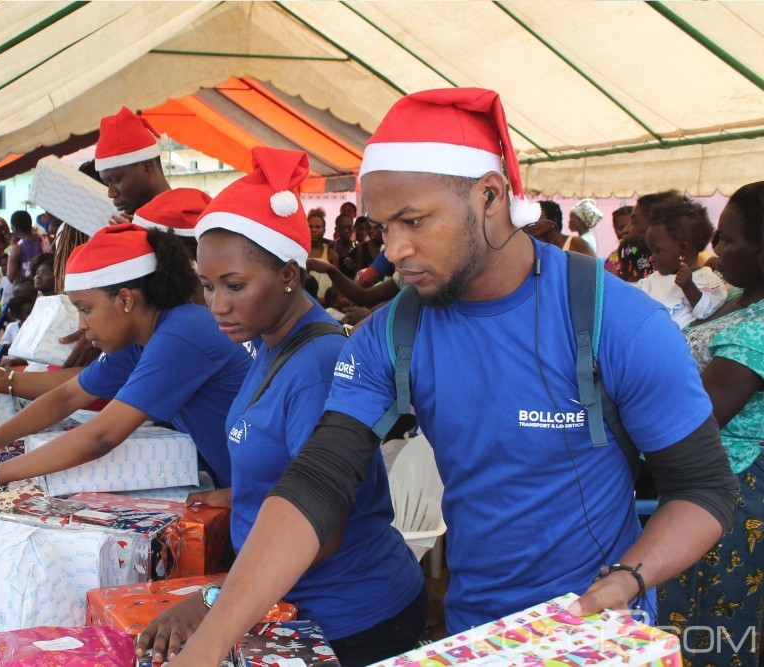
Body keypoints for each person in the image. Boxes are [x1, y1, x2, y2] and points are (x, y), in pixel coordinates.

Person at [165, 88, 738, 667]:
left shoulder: (614, 321)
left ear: (489, 195)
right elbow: (318, 480)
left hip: (593, 632)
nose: (394, 250)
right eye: (383, 226)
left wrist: (626, 581)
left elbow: (704, 489)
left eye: (413, 221)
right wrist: (211, 641)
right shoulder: (389, 335)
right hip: (473, 634)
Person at [136, 148, 426, 667]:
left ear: (290, 273)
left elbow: (320, 528)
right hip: (289, 603)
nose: (217, 305)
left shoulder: (317, 365)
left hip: (349, 618)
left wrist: (213, 601)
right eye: (207, 285)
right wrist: (235, 495)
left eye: (235, 286)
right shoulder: (269, 343)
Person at [0, 223, 252, 515]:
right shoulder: (138, 338)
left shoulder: (181, 334)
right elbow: (66, 397)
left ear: (126, 300)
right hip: (237, 479)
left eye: (86, 309)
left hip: (264, 486)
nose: (81, 324)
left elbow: (101, 436)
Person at [659, 181, 763, 667]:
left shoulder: (759, 324)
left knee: (714, 627)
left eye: (728, 239)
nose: (715, 248)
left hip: (731, 489)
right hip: (700, 481)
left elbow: (701, 416)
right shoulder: (739, 298)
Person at [637, 194, 726, 329]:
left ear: (683, 249)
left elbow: (706, 310)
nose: (651, 258)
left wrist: (689, 287)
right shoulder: (652, 280)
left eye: (656, 251)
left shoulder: (708, 280)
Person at [95, 107, 171, 220]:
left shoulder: (192, 219)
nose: (111, 193)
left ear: (147, 166)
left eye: (115, 180)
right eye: (107, 183)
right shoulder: (139, 225)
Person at [527, 200, 595, 256]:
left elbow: (596, 269)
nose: (534, 223)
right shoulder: (537, 246)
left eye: (539, 217)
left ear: (553, 220)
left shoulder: (576, 243)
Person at [7, 210, 51, 281]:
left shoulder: (17, 248)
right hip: (47, 284)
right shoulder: (47, 239)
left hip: (28, 288)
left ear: (15, 228)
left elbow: (11, 277)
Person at [306, 209, 338, 304]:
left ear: (324, 230)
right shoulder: (298, 251)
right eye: (310, 226)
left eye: (318, 227)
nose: (313, 230)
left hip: (325, 304)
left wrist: (326, 300)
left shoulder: (331, 254)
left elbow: (336, 283)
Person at [603, 205, 633, 275]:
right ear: (615, 229)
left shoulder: (649, 256)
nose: (626, 230)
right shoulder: (613, 258)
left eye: (631, 226)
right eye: (621, 228)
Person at [332, 214, 357, 279]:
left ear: (353, 228)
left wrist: (354, 266)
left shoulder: (359, 248)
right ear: (336, 229)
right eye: (343, 228)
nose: (346, 231)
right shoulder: (331, 247)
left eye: (349, 227)